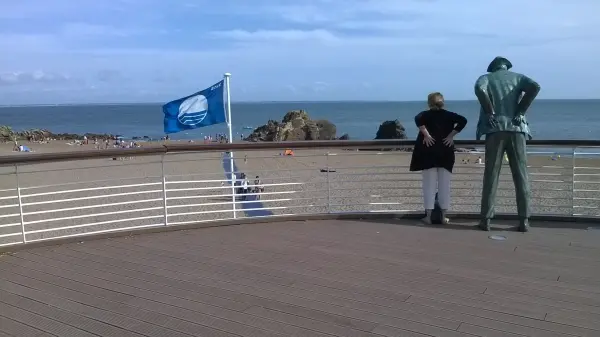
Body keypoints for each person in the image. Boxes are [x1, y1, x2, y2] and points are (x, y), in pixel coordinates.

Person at [474, 56, 540, 232]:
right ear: (506, 67)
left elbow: (479, 89)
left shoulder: (486, 78)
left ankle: (486, 220)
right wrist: (520, 111)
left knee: (491, 176)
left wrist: (490, 112)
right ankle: (524, 220)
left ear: (493, 67)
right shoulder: (519, 78)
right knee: (521, 175)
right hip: (517, 129)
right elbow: (535, 87)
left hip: (494, 130)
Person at [409, 92, 468, 224]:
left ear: (429, 102)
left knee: (428, 186)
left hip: (428, 153)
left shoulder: (424, 115)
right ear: (442, 102)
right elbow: (463, 121)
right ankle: (443, 216)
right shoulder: (449, 115)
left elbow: (417, 119)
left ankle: (428, 217)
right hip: (445, 153)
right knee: (444, 186)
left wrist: (426, 135)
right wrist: (451, 135)